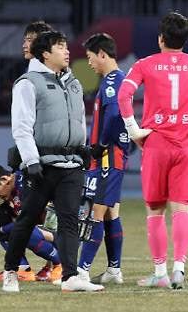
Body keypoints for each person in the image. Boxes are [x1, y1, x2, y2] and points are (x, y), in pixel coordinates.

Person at [118, 12, 188, 289]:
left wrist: (133, 130)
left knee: (155, 210)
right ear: (185, 40)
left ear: (161, 39)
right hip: (185, 144)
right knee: (181, 209)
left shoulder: (145, 64)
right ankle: (179, 269)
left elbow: (124, 95)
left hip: (156, 145)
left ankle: (160, 273)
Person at [2, 31, 104, 293]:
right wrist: (31, 161)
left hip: (71, 165)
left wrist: (82, 149)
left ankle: (70, 277)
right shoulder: (28, 83)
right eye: (60, 47)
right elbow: (21, 127)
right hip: (42, 165)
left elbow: (78, 119)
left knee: (69, 221)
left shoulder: (74, 82)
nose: (67, 51)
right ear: (45, 54)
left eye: (66, 46)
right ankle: (11, 271)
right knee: (26, 220)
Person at [77, 33, 129, 284]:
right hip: (113, 156)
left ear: (102, 54)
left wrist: (101, 145)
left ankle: (81, 271)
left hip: (108, 156)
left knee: (95, 213)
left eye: (90, 57)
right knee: (110, 213)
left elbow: (114, 114)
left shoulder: (112, 81)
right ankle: (113, 270)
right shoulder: (119, 80)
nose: (89, 63)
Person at [0, 162, 62, 283]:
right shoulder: (14, 190)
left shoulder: (28, 184)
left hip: (65, 231)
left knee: (23, 228)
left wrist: (5, 230)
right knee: (3, 221)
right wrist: (1, 231)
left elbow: (52, 223)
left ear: (4, 179)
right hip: (47, 228)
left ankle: (60, 265)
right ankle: (23, 270)